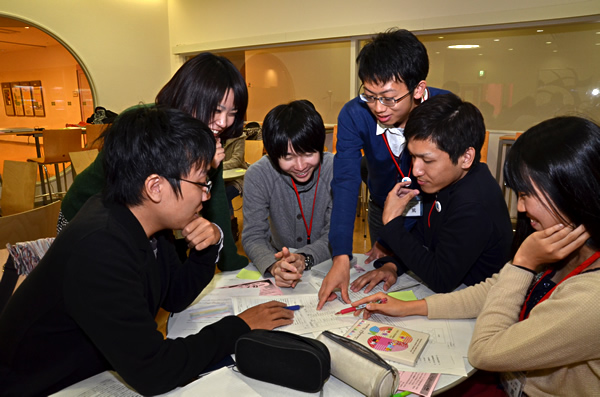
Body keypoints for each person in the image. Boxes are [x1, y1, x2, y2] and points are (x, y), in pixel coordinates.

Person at [0, 106, 293, 397]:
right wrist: (239, 327)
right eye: (201, 181)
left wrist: (208, 246)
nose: (206, 194)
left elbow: (174, 295)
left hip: (88, 372)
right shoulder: (100, 245)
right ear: (155, 187)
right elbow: (155, 370)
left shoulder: (141, 218)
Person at [352, 116, 600, 396]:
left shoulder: (590, 297)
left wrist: (524, 264)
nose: (520, 207)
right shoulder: (560, 247)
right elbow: (489, 290)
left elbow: (485, 353)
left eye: (527, 194)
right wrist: (410, 306)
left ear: (573, 191)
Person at [59, 52, 249, 270]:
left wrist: (230, 263)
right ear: (190, 97)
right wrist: (203, 162)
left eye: (232, 112)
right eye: (216, 110)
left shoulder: (208, 139)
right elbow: (145, 192)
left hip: (150, 226)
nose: (223, 122)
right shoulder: (142, 121)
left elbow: (215, 201)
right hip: (88, 217)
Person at [319, 28, 449, 309]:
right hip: (383, 206)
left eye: (389, 97)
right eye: (369, 94)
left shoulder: (445, 111)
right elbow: (345, 182)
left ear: (418, 89)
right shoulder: (355, 114)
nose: (378, 107)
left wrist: (394, 250)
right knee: (384, 273)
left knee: (434, 284)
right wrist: (341, 254)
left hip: (432, 208)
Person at [350, 93, 513, 293]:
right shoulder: (443, 182)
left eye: (427, 160)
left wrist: (393, 224)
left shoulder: (474, 204)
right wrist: (393, 265)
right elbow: (422, 237)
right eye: (412, 157)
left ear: (466, 157)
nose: (416, 170)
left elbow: (440, 279)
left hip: (475, 305)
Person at [242, 100, 333, 287]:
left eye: (308, 154)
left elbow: (335, 233)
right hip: (279, 262)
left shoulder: (335, 170)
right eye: (288, 157)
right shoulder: (259, 174)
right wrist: (274, 265)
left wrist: (304, 258)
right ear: (273, 154)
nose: (300, 167)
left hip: (327, 265)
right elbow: (254, 235)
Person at [222, 127, 248, 241]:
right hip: (220, 178)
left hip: (238, 178)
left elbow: (237, 160)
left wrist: (217, 166)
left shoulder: (239, 137)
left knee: (225, 194)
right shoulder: (215, 137)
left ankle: (232, 229)